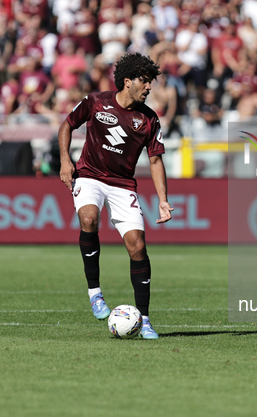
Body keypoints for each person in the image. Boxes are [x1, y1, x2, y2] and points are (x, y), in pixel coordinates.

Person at [58, 53, 174, 340]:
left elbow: (156, 160)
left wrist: (162, 199)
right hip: (90, 176)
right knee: (89, 217)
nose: (149, 88)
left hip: (123, 185)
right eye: (144, 82)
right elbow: (67, 125)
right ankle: (95, 293)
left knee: (137, 247)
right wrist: (64, 160)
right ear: (127, 82)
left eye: (150, 83)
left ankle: (144, 319)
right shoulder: (96, 102)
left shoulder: (149, 120)